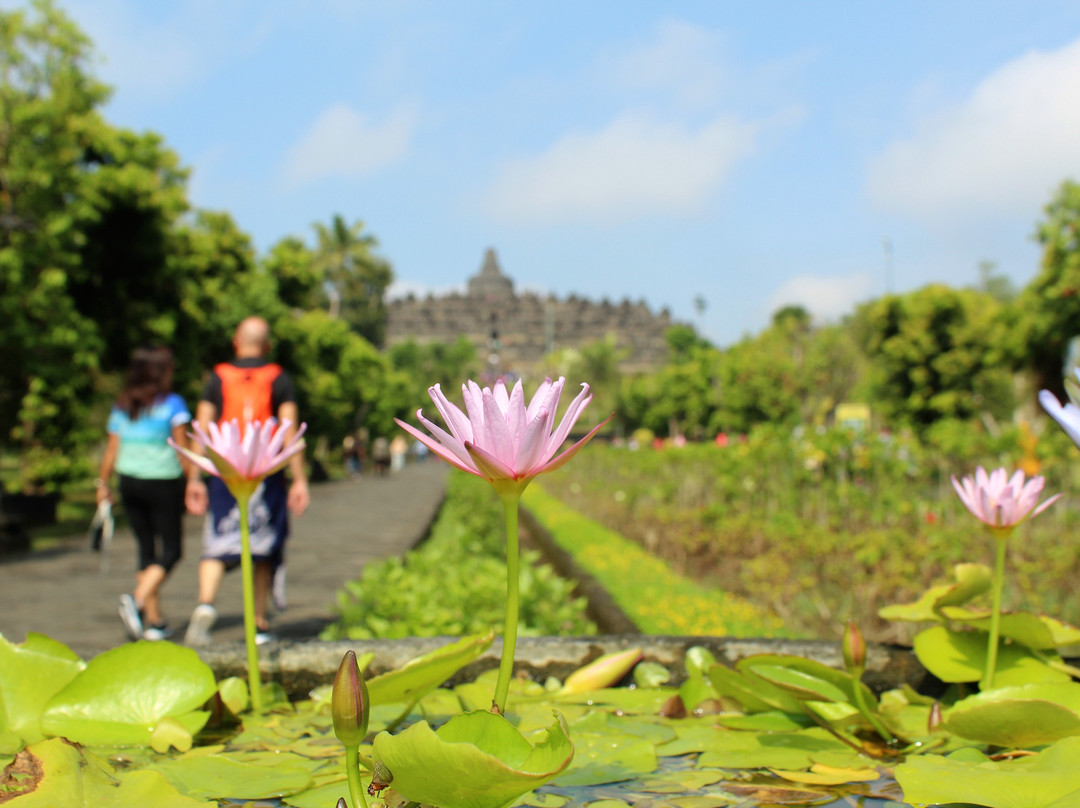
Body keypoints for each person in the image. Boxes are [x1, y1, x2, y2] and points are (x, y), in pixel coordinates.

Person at [182, 317, 309, 646]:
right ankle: (259, 623)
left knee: (217, 541)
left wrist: (195, 476)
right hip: (265, 473)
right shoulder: (278, 377)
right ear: (267, 345)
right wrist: (298, 478)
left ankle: (206, 603)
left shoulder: (218, 376)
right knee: (263, 548)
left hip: (225, 471)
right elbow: (289, 429)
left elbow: (202, 426)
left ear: (236, 341)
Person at [96, 346, 191, 641]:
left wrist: (102, 484)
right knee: (172, 551)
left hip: (129, 482)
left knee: (146, 550)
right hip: (162, 483)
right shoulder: (172, 404)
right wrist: (196, 481)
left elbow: (112, 448)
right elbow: (181, 449)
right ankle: (136, 601)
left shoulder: (123, 405)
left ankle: (154, 622)